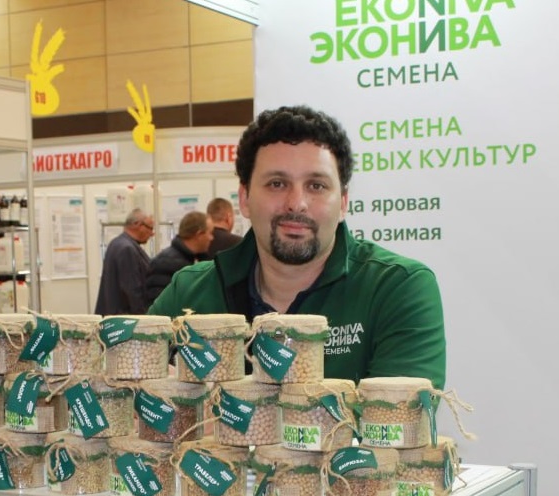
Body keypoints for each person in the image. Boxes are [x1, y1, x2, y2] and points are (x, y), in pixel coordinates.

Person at [149, 105, 446, 388]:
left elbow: (397, 415)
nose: (297, 203)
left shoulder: (397, 288)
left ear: (343, 203)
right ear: (244, 199)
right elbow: (128, 386)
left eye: (316, 185)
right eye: (277, 184)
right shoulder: (191, 292)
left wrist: (192, 401)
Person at [94, 208, 156, 315]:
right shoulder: (127, 249)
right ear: (137, 224)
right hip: (125, 318)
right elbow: (132, 290)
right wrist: (143, 317)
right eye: (150, 228)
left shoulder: (117, 243)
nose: (152, 233)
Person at [146, 211, 214, 307]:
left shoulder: (192, 260)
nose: (212, 238)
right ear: (199, 234)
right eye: (210, 233)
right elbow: (160, 305)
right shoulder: (165, 263)